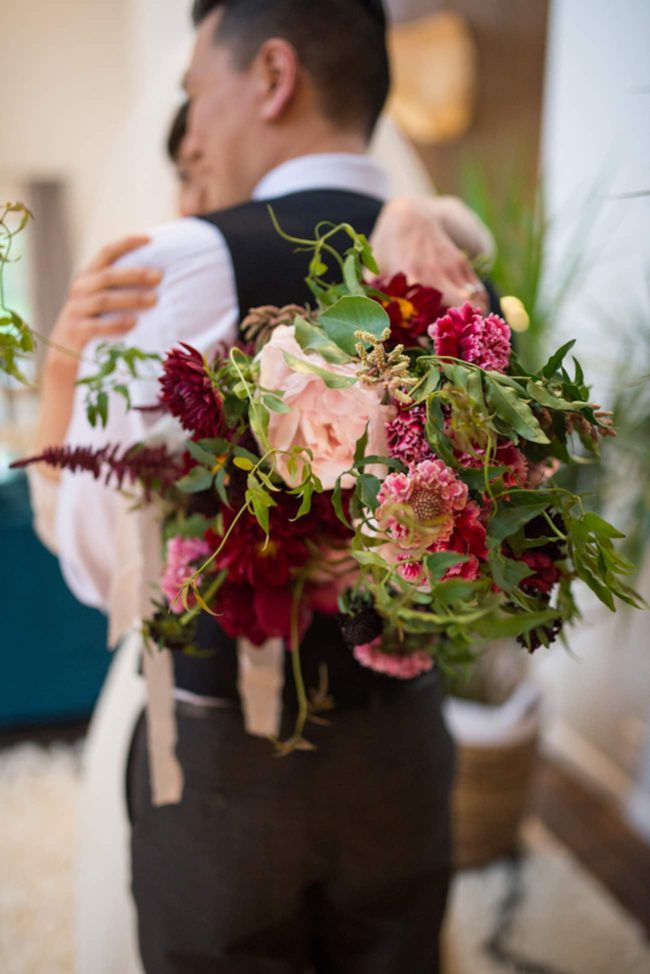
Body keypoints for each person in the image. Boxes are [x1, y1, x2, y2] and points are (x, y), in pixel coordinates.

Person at [29, 5, 499, 968]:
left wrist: (64, 368)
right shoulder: (465, 272)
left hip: (231, 775)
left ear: (272, 76)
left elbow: (97, 566)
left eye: (199, 92)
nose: (194, 129)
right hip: (405, 746)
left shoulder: (181, 264)